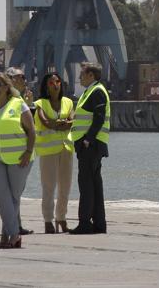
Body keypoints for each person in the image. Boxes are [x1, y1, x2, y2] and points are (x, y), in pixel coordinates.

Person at [0, 71, 35, 248]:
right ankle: (14, 234)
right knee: (1, 197)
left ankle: (7, 236)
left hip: (19, 158)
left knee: (13, 197)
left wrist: (28, 152)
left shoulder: (18, 104)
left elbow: (32, 131)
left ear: (7, 87)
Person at [68, 61, 110, 235]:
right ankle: (99, 223)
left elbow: (99, 118)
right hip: (92, 145)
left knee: (85, 185)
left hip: (91, 146)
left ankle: (85, 223)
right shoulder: (91, 91)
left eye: (82, 74)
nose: (79, 77)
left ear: (91, 75)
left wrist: (87, 140)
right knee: (94, 185)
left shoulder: (97, 91)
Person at [34, 71, 74, 234]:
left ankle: (61, 218)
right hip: (48, 151)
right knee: (48, 186)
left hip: (66, 149)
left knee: (65, 186)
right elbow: (45, 122)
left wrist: (58, 123)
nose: (55, 85)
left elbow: (72, 121)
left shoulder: (68, 102)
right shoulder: (40, 104)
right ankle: (48, 220)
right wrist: (60, 123)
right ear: (46, 86)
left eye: (57, 82)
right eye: (51, 83)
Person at [5, 66, 36, 235]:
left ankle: (16, 223)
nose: (24, 80)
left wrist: (30, 104)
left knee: (17, 191)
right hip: (15, 154)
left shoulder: (21, 99)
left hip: (24, 153)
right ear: (11, 80)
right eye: (20, 77)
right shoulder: (8, 100)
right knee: (13, 192)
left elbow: (30, 125)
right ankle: (13, 225)